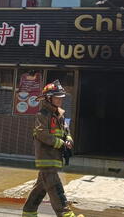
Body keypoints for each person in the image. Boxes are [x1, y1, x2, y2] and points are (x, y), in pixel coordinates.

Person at [22, 80, 83, 217]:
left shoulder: (60, 115)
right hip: (46, 158)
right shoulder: (42, 115)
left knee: (40, 188)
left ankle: (28, 212)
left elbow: (66, 132)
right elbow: (41, 134)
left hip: (55, 158)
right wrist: (60, 143)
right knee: (55, 188)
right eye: (57, 97)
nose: (61, 100)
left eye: (61, 97)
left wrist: (68, 140)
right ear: (49, 98)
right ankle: (66, 214)